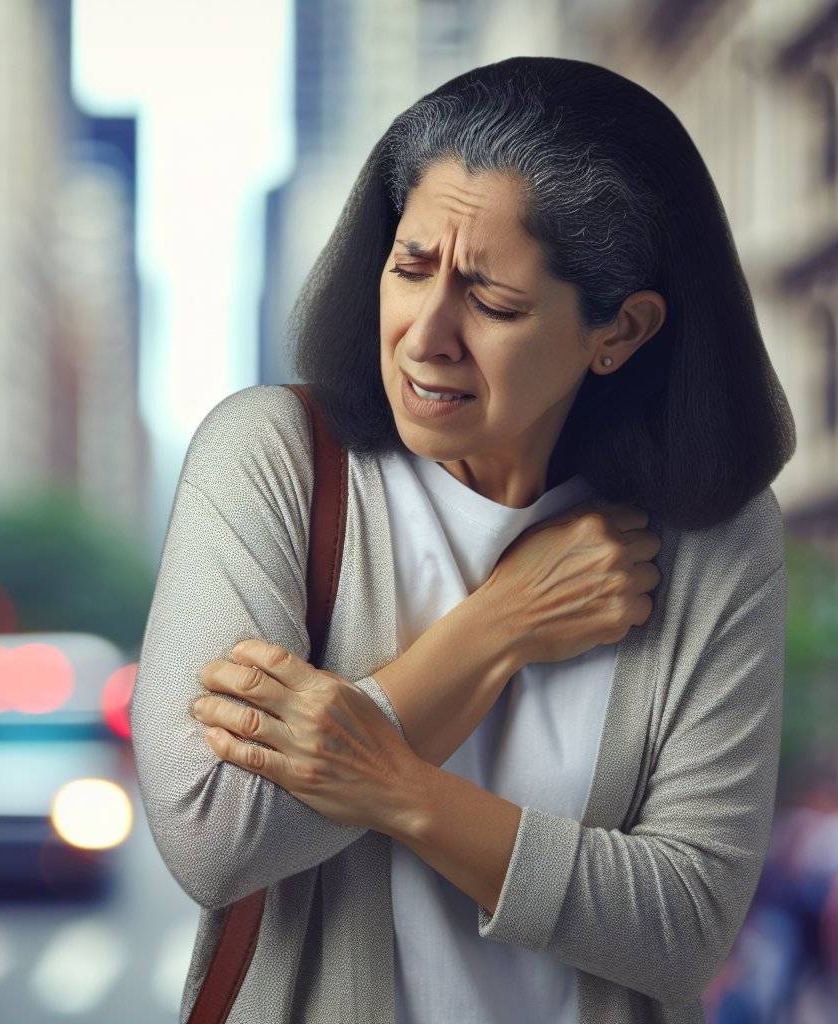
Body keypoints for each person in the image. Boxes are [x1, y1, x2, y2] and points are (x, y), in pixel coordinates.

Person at [129, 56, 796, 1024]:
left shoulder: (713, 539)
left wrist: (390, 784)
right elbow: (216, 837)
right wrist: (500, 627)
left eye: (492, 302)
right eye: (408, 268)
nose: (424, 334)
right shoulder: (273, 459)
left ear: (619, 330)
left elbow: (688, 924)